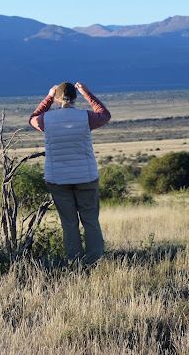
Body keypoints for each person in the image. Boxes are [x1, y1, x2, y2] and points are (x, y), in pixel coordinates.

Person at [29, 82, 111, 266]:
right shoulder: (85, 117)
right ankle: (93, 261)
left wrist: (48, 97)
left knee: (69, 223)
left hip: (57, 179)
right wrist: (87, 93)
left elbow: (33, 118)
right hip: (86, 177)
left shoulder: (46, 119)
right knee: (90, 220)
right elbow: (105, 115)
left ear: (57, 99)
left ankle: (75, 262)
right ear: (75, 98)